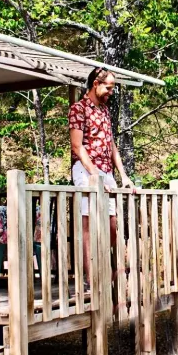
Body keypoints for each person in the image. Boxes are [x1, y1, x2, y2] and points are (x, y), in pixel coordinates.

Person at [68, 67, 134, 285]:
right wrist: (94, 175)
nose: (111, 92)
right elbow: (77, 146)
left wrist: (123, 175)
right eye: (108, 87)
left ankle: (103, 266)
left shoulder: (104, 110)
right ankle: (91, 279)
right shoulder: (78, 109)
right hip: (85, 169)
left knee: (112, 223)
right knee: (88, 223)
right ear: (96, 84)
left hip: (105, 170)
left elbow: (111, 144)